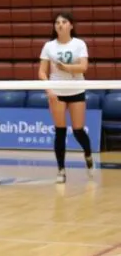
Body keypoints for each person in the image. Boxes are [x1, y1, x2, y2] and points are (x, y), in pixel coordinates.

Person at [38, 11, 93, 183]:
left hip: (76, 89)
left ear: (71, 25)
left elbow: (84, 67)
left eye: (64, 21)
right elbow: (41, 71)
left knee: (78, 130)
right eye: (57, 22)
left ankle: (88, 154)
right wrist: (49, 90)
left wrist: (66, 67)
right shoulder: (49, 46)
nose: (60, 24)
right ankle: (61, 170)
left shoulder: (79, 44)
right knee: (60, 132)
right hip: (57, 92)